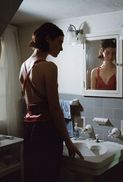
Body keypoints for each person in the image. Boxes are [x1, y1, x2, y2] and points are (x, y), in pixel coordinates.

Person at [19, 22, 84, 182]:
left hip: (29, 129)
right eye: (59, 42)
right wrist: (68, 142)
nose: (61, 48)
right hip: (46, 131)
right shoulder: (48, 67)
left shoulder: (24, 65)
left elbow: (29, 103)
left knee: (33, 175)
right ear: (48, 39)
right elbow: (55, 108)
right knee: (49, 175)